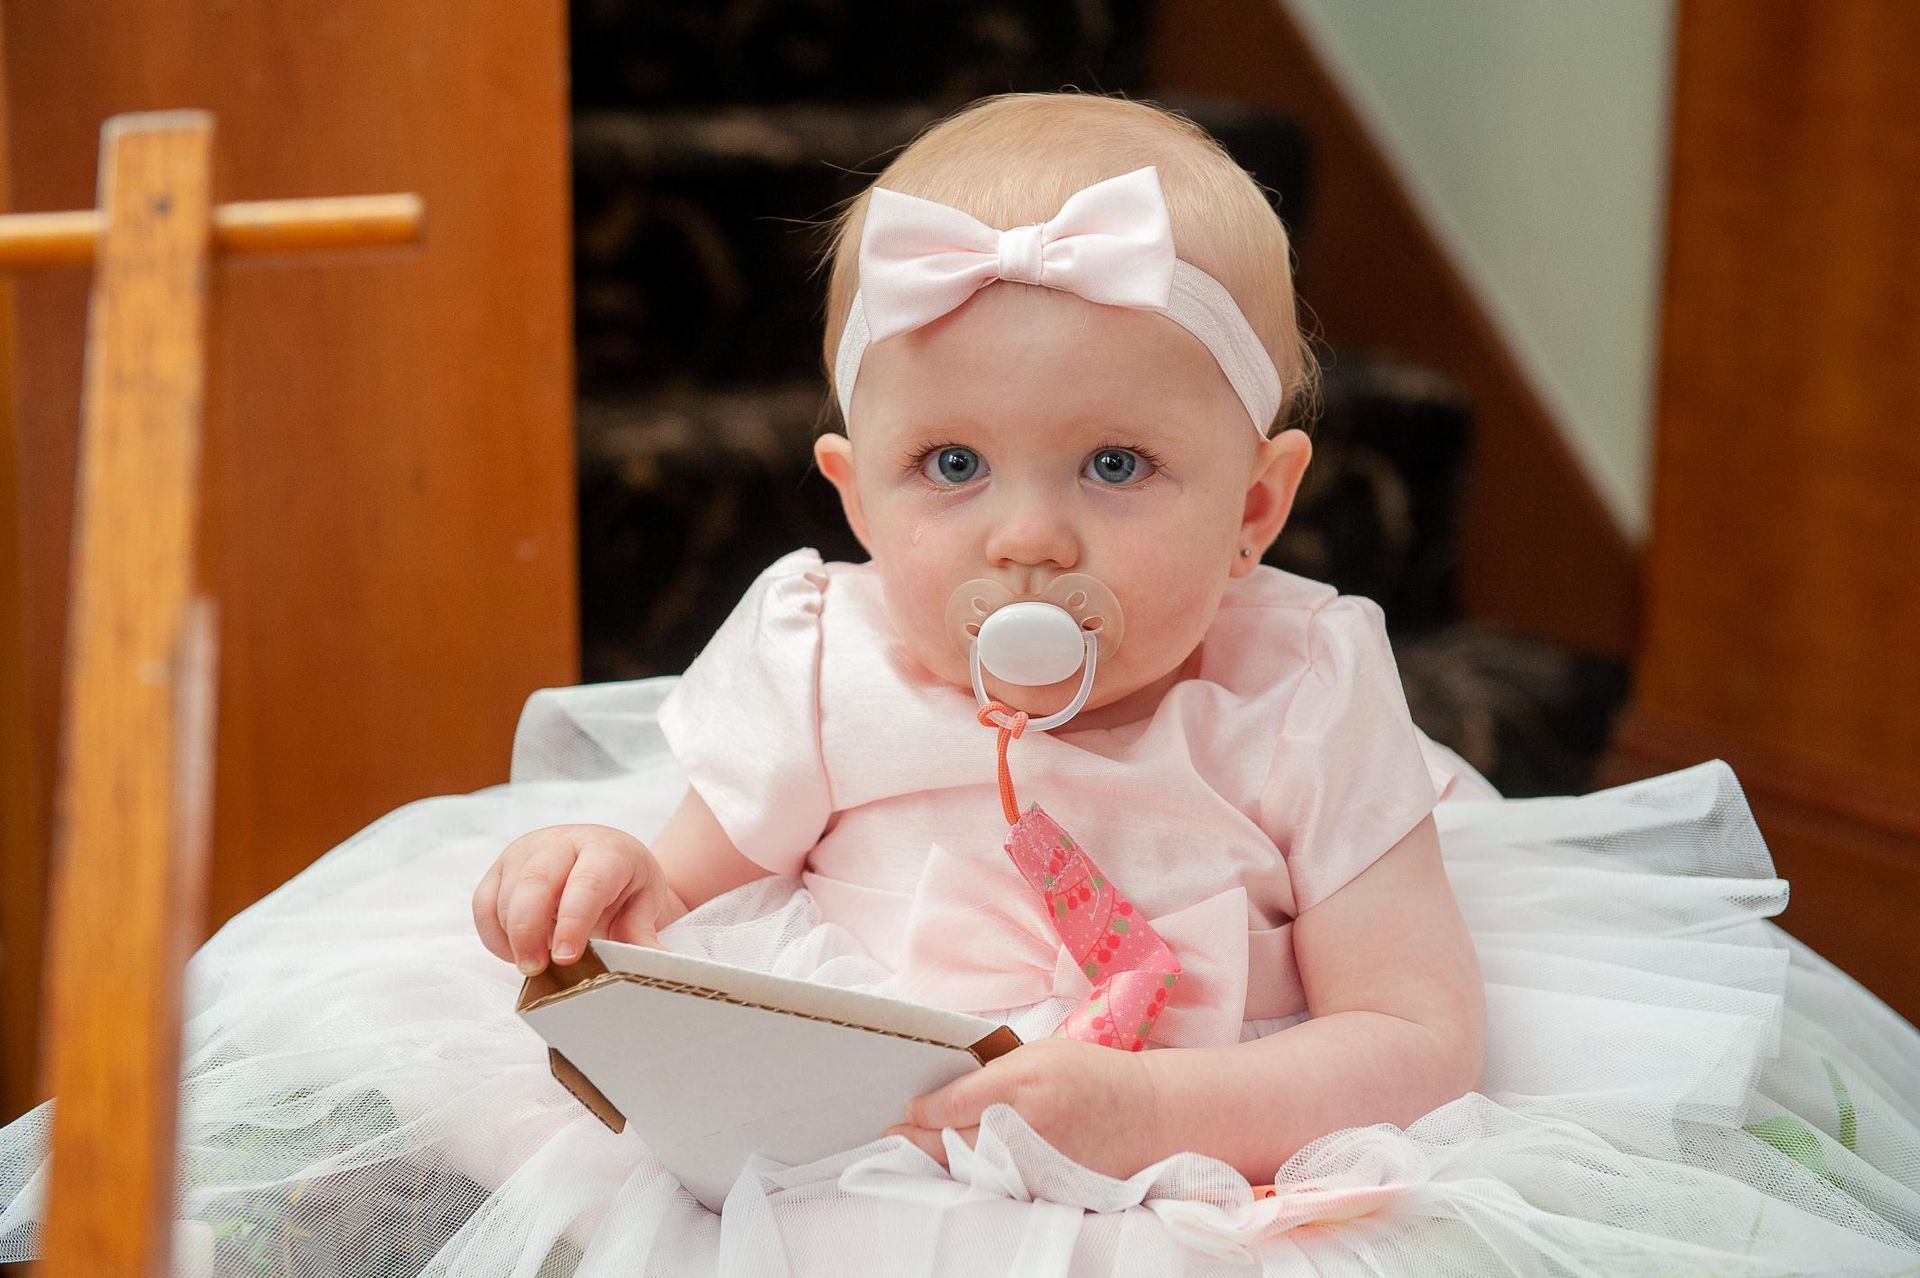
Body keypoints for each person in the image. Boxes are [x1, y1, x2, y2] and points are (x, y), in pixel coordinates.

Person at [6, 92, 1919, 1276]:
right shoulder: (825, 649)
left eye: (1114, 468)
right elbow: (670, 881)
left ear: (1257, 505)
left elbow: (1418, 1035)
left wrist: (1164, 1114)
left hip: (1186, 1172)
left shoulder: (1302, 686)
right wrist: (594, 880)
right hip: (826, 1149)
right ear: (849, 491)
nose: (1025, 539)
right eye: (950, 470)